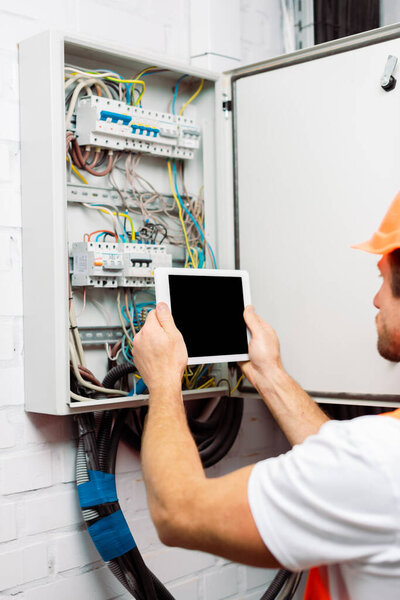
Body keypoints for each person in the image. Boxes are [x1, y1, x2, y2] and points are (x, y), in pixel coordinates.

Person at [132, 193, 400, 600]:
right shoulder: (378, 455)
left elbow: (178, 512)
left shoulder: (380, 458)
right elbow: (345, 471)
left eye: (382, 278)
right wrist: (268, 373)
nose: (376, 298)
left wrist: (164, 380)